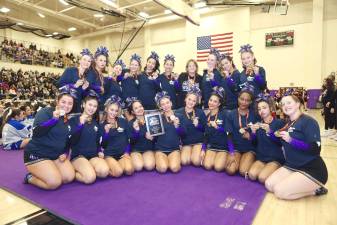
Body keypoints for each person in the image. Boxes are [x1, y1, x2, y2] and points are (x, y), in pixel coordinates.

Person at [265, 93, 328, 200]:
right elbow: (281, 142)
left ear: (298, 104)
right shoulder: (288, 123)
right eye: (283, 104)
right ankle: (296, 180)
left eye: (289, 102)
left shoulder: (309, 122)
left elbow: (316, 149)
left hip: (311, 168)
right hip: (292, 165)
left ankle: (317, 189)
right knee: (269, 185)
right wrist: (269, 132)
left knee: (280, 192)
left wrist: (292, 140)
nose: (285, 106)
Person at [23, 85, 77, 190]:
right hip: (37, 154)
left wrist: (65, 152)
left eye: (70, 103)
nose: (66, 106)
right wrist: (53, 119)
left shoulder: (67, 118)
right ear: (57, 101)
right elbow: (37, 133)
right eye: (63, 102)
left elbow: (67, 140)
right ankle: (29, 177)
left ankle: (49, 168)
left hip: (55, 155)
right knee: (54, 183)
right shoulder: (45, 112)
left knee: (69, 177)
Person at [69, 91, 109, 184]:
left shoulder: (95, 123)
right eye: (90, 105)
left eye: (95, 106)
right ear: (83, 104)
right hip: (78, 156)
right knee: (90, 178)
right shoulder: (74, 120)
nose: (92, 108)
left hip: (92, 156)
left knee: (104, 172)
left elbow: (97, 142)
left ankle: (87, 168)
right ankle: (72, 171)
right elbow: (72, 141)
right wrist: (80, 125)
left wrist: (99, 151)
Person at [248, 94, 285, 183]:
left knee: (262, 178)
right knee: (252, 175)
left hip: (275, 158)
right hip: (261, 158)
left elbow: (281, 143)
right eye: (259, 109)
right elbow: (254, 143)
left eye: (264, 107)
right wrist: (252, 133)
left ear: (271, 108)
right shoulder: (257, 124)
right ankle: (267, 169)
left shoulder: (279, 123)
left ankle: (278, 169)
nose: (261, 111)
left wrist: (270, 132)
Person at [226, 86, 257, 176]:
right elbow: (229, 135)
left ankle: (251, 160)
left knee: (243, 171)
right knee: (230, 170)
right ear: (238, 99)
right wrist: (231, 152)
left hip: (249, 148)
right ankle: (239, 159)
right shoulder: (231, 114)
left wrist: (251, 136)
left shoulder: (255, 114)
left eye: (247, 100)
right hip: (235, 148)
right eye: (242, 99)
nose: (244, 102)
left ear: (250, 102)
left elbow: (259, 136)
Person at [101, 96, 134, 177]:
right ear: (107, 109)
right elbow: (103, 145)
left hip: (122, 154)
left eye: (116, 110)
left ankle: (116, 166)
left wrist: (127, 152)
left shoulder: (123, 121)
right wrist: (106, 133)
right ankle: (108, 167)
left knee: (129, 170)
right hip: (109, 154)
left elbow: (129, 139)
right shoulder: (102, 125)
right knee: (118, 172)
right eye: (111, 110)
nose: (114, 113)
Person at [154, 91, 185, 173]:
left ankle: (171, 160)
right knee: (163, 169)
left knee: (175, 168)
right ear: (160, 106)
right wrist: (150, 135)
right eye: (163, 104)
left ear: (171, 103)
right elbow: (154, 136)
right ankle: (159, 160)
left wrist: (177, 127)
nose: (166, 105)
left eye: (167, 103)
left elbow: (184, 133)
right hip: (161, 149)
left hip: (174, 149)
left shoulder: (179, 116)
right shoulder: (157, 118)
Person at [175, 87, 207, 166]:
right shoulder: (178, 112)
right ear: (185, 99)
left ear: (196, 102)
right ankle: (191, 153)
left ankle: (198, 153)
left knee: (196, 162)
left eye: (194, 101)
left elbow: (206, 130)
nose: (191, 102)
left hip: (198, 142)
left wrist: (198, 125)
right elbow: (177, 132)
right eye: (189, 99)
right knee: (184, 161)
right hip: (186, 143)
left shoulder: (200, 112)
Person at [57, 48, 92, 112]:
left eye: (89, 61)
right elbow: (60, 85)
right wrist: (74, 85)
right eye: (84, 59)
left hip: (77, 107)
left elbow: (82, 96)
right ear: (80, 61)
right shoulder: (70, 70)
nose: (86, 62)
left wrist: (84, 89)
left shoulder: (87, 76)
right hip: (66, 105)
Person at [127, 99, 156, 171]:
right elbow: (131, 142)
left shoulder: (151, 120)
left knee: (149, 166)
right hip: (135, 150)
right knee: (138, 167)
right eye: (136, 108)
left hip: (148, 149)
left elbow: (158, 137)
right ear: (133, 112)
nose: (139, 109)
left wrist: (152, 138)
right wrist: (136, 131)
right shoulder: (130, 123)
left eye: (140, 106)